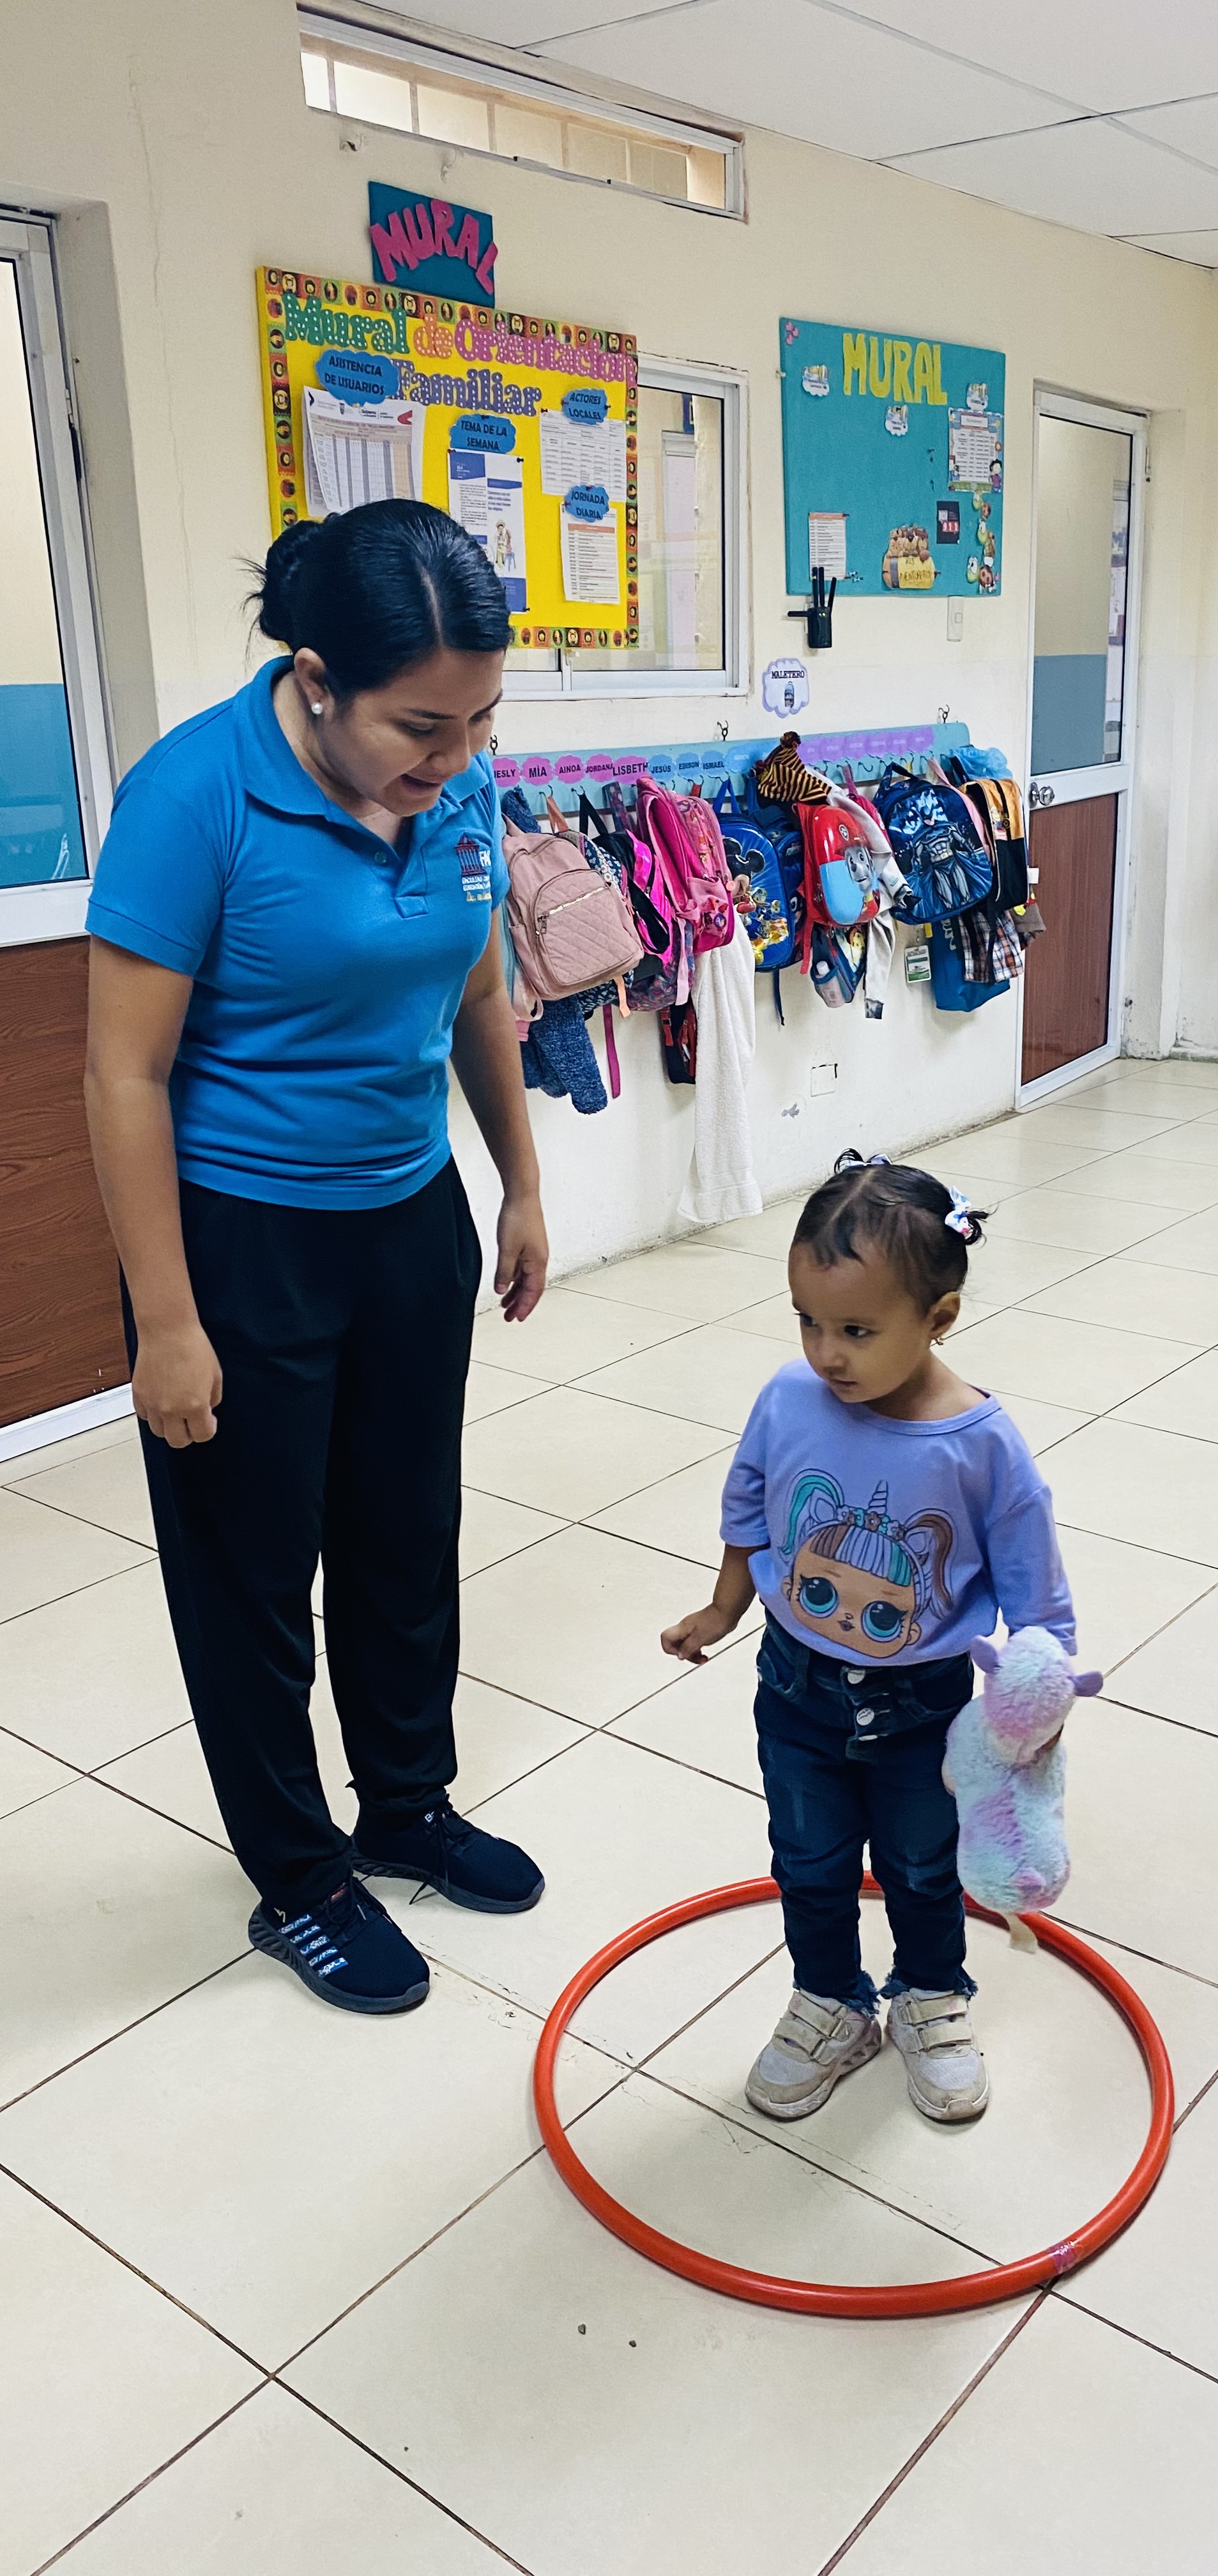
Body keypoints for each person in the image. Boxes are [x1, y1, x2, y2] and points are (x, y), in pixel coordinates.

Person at [85, 500, 549, 2018]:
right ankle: (297, 1877)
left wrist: (520, 1185)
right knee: (252, 1573)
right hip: (240, 1237)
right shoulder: (193, 796)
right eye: (422, 726)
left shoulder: (458, 787)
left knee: (406, 1533)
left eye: (481, 722)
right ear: (316, 679)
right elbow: (124, 1076)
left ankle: (405, 1806)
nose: (456, 757)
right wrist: (167, 1322)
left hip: (407, 1215)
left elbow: (477, 993)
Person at [661, 1154, 1076, 2125]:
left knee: (921, 1869)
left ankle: (929, 1997)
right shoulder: (787, 1398)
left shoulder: (982, 1445)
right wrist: (724, 1608)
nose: (826, 1353)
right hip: (795, 1686)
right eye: (807, 1321)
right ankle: (832, 2003)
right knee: (807, 1863)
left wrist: (1033, 1715)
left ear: (939, 1318)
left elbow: (1040, 1606)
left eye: (855, 1330)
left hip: (923, 1705)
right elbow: (750, 1507)